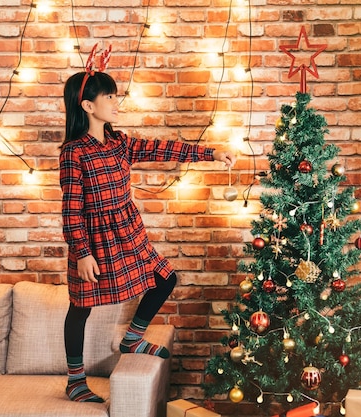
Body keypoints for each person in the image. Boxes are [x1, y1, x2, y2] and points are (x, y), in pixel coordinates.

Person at [59, 45, 235, 403]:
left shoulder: (119, 143)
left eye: (114, 95)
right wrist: (82, 253)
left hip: (128, 232)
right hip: (94, 240)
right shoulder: (74, 152)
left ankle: (133, 337)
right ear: (88, 106)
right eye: (109, 96)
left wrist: (211, 154)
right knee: (81, 308)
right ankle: (75, 381)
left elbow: (163, 149)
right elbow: (71, 209)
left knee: (165, 278)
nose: (115, 102)